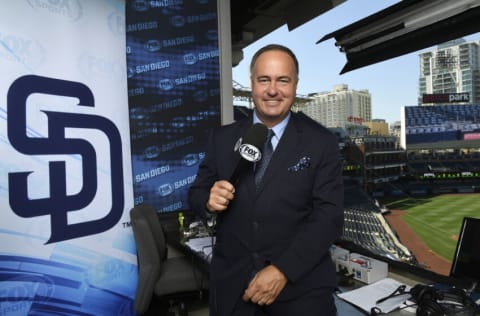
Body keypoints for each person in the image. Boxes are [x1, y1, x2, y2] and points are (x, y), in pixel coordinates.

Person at [188, 44, 344, 316]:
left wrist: (283, 270)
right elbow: (196, 192)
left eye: (283, 80)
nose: (273, 90)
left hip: (301, 292)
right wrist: (208, 199)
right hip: (234, 290)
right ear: (252, 84)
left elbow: (329, 217)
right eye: (264, 80)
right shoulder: (221, 138)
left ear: (295, 84)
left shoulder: (321, 142)